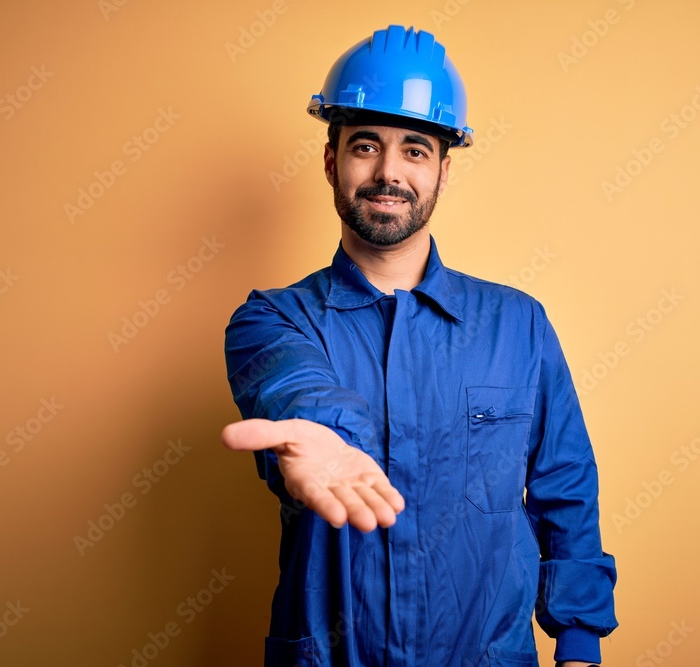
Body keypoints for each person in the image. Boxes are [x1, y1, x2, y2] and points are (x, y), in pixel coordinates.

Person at [223, 24, 618, 667]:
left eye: (414, 150)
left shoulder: (519, 326)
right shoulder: (271, 320)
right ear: (331, 160)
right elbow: (298, 387)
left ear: (441, 167)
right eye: (365, 146)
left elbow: (565, 489)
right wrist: (327, 436)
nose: (387, 173)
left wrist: (578, 646)